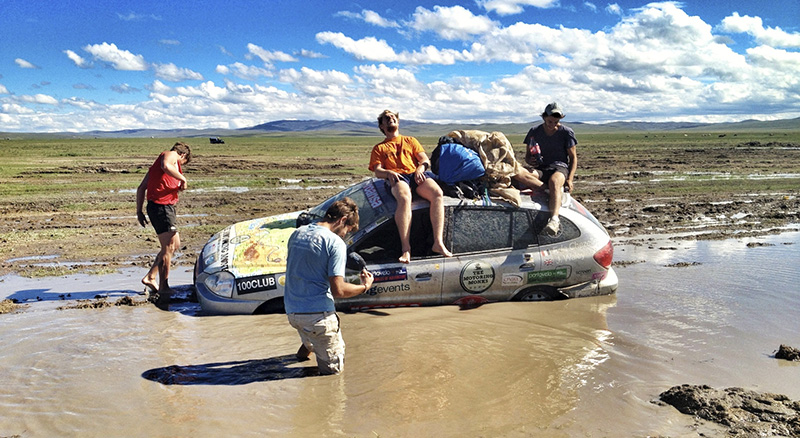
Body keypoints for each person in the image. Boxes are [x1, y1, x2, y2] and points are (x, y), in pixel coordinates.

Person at [285, 198, 374, 375]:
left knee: (311, 336)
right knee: (333, 377)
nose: (344, 236)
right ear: (342, 221)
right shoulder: (335, 243)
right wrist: (364, 287)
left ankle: (302, 358)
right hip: (317, 316)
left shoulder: (298, 233)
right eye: (347, 230)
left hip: (293, 311)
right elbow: (339, 290)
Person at [369, 110, 453, 263]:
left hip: (416, 174)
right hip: (397, 178)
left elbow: (424, 160)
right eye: (386, 119)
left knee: (437, 194)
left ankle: (438, 242)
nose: (390, 119)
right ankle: (406, 249)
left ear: (398, 122)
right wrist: (388, 173)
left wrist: (421, 168)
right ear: (381, 125)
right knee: (404, 197)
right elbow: (377, 171)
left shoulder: (410, 140)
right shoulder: (379, 148)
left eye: (393, 117)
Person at [136, 142, 192, 299]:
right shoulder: (170, 155)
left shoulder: (155, 169)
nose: (179, 167)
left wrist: (139, 211)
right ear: (183, 156)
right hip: (161, 208)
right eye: (182, 164)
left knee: (175, 245)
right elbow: (167, 165)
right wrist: (183, 178)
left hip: (162, 208)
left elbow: (141, 188)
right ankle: (164, 287)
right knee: (168, 247)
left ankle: (150, 277)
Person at [522, 102, 578, 235]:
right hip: (541, 168)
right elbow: (527, 156)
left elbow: (573, 158)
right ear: (544, 117)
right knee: (520, 173)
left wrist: (570, 179)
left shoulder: (566, 132)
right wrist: (530, 160)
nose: (552, 124)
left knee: (554, 181)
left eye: (556, 121)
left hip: (560, 167)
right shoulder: (534, 131)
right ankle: (550, 191)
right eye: (549, 121)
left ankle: (554, 220)